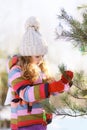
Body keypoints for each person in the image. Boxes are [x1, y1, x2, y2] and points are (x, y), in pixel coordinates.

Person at [6, 16, 73, 130]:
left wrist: (63, 83)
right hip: (23, 124)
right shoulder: (16, 71)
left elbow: (51, 90)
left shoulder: (40, 68)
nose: (41, 59)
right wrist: (51, 87)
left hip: (40, 121)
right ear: (27, 55)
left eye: (42, 55)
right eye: (37, 56)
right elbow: (26, 94)